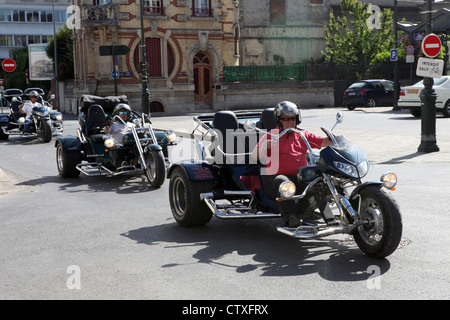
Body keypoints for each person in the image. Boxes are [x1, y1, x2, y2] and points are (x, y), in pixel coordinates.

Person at [251, 101, 331, 227]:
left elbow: (323, 142)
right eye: (286, 119)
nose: (290, 122)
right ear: (279, 121)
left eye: (293, 118)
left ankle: (311, 213)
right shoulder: (271, 135)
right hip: (277, 180)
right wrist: (265, 147)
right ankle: (291, 217)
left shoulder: (303, 134)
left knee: (323, 181)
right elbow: (254, 156)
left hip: (301, 177)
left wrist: (338, 139)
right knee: (283, 182)